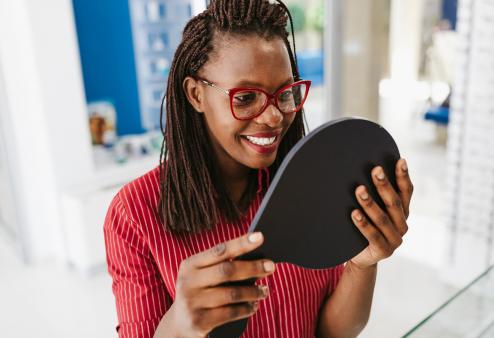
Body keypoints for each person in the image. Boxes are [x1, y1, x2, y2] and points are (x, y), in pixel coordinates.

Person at [103, 1, 414, 337]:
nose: (273, 117)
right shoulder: (133, 214)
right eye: (245, 97)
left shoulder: (307, 181)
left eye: (284, 93)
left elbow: (330, 332)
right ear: (195, 94)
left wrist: (362, 263)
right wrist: (180, 325)